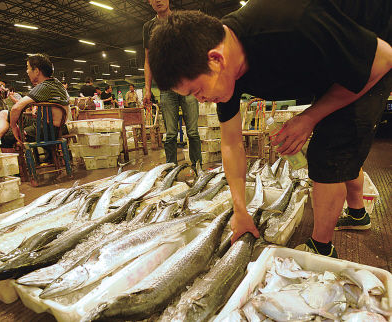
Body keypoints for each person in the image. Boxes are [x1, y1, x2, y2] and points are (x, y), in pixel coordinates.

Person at [148, 3, 392, 258]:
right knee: (340, 147)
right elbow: (231, 143)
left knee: (329, 154)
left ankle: (321, 249)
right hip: (330, 58)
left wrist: (308, 118)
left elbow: (383, 58)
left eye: (197, 91)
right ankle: (358, 214)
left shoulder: (289, 23)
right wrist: (240, 211)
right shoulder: (224, 70)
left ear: (216, 59)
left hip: (373, 54)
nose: (200, 100)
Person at [143, 0, 202, 167]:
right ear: (149, 2)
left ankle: (198, 169)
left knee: (193, 132)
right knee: (170, 134)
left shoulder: (181, 21)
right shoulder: (148, 27)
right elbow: (148, 61)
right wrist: (147, 89)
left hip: (188, 85)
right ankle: (170, 171)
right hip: (166, 88)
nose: (158, 0)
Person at [0, 54, 69, 150]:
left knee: (6, 138)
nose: (27, 72)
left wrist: (14, 127)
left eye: (28, 68)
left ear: (36, 71)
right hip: (57, 128)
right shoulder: (56, 83)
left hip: (46, 131)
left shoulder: (44, 86)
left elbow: (16, 108)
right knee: (3, 114)